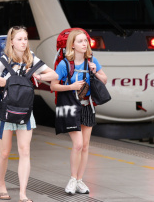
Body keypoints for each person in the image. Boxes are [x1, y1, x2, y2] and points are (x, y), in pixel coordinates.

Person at [0, 26, 58, 202]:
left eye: (25, 39)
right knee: (4, 152)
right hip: (3, 110)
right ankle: (1, 185)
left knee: (25, 151)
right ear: (11, 41)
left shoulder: (31, 59)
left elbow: (53, 74)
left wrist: (39, 77)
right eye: (19, 39)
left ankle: (22, 193)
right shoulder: (3, 60)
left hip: (25, 111)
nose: (23, 42)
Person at [50, 29, 107, 195]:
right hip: (70, 105)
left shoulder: (92, 60)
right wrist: (71, 87)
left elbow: (104, 80)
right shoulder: (64, 64)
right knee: (78, 144)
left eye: (85, 41)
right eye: (80, 41)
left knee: (85, 146)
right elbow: (53, 86)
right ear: (72, 45)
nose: (84, 44)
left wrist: (95, 71)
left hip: (87, 105)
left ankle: (80, 180)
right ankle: (73, 179)